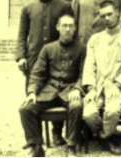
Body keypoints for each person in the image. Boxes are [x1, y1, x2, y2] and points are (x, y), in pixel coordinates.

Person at [16, 0, 74, 147]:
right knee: (34, 96)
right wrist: (21, 57)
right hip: (34, 60)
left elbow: (69, 31)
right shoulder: (28, 8)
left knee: (59, 90)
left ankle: (57, 132)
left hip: (58, 58)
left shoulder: (63, 5)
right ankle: (36, 139)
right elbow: (22, 34)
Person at [19, 14, 86, 157]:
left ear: (75, 29)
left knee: (76, 106)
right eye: (64, 25)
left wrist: (77, 89)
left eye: (71, 26)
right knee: (25, 109)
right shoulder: (47, 48)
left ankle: (72, 145)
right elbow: (37, 73)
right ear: (58, 28)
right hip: (49, 90)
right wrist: (32, 92)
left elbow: (83, 74)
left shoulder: (82, 49)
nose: (67, 29)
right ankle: (36, 146)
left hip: (70, 89)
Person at [82, 1, 121, 155]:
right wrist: (91, 88)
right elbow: (89, 66)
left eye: (109, 14)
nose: (106, 18)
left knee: (112, 111)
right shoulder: (95, 39)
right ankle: (106, 136)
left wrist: (118, 85)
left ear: (118, 13)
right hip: (98, 88)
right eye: (103, 16)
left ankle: (106, 137)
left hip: (117, 88)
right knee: (88, 113)